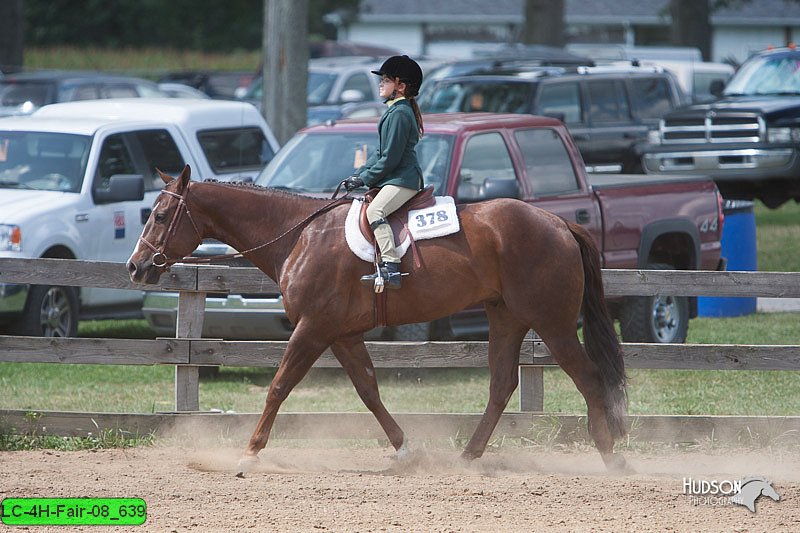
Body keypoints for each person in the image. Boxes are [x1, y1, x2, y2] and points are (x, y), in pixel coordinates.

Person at [344, 55, 425, 290]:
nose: (381, 83)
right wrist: (360, 174)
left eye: (386, 80)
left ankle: (391, 265)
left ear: (400, 86)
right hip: (394, 176)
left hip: (404, 179)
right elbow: (379, 153)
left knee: (375, 211)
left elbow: (391, 158)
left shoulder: (400, 113)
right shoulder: (394, 110)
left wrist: (366, 178)